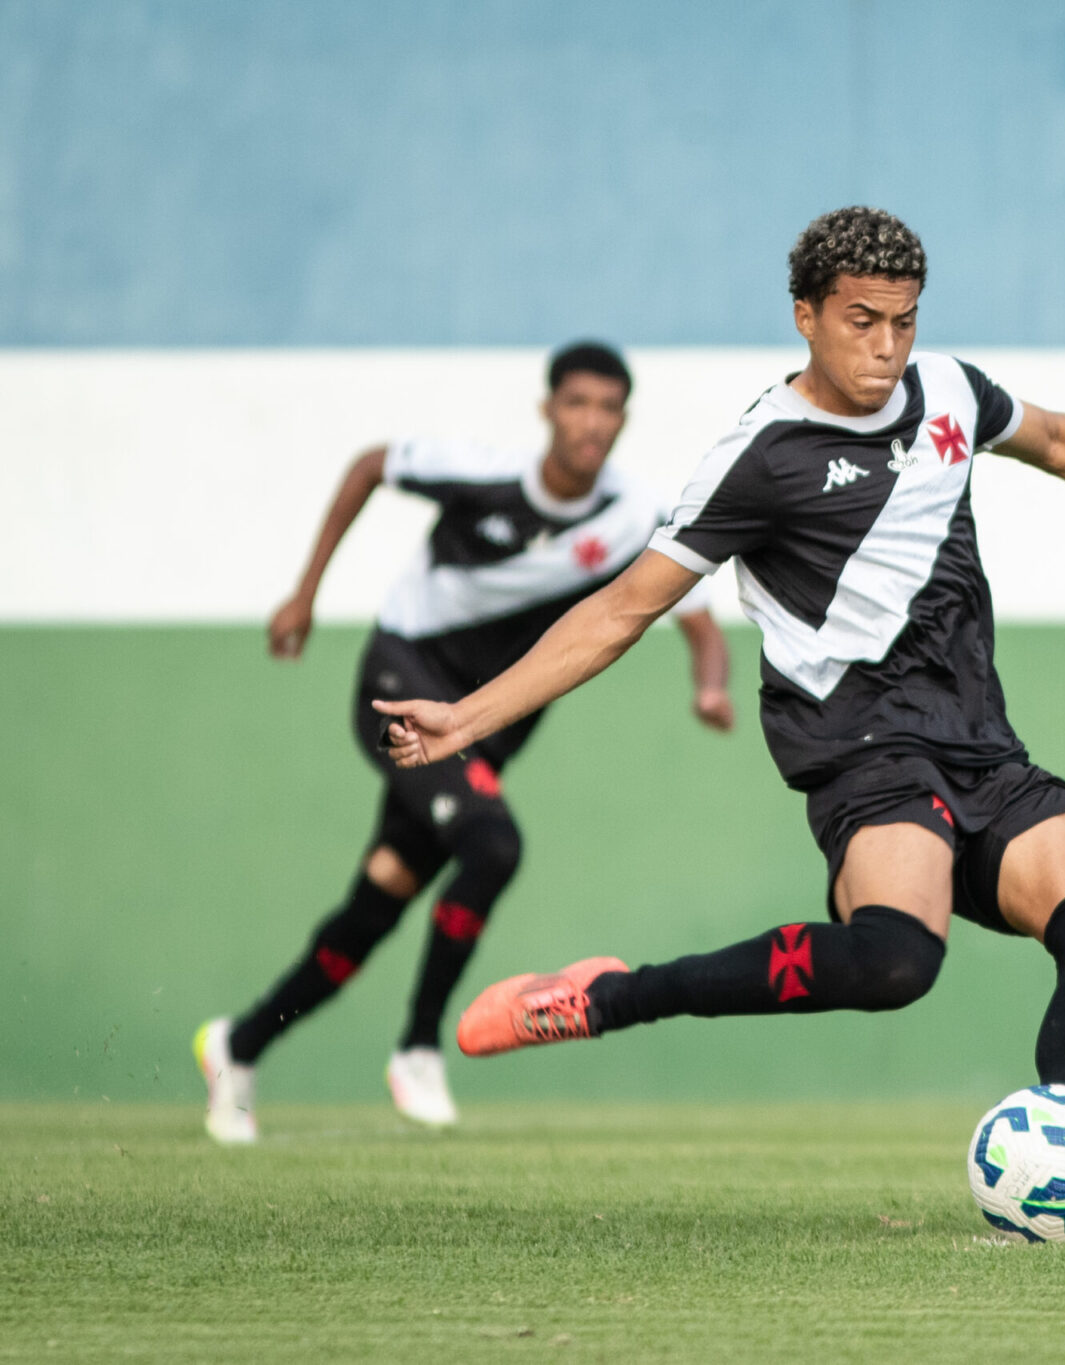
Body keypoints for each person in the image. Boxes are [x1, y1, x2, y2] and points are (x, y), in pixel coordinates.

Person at [375, 207, 1065, 1237]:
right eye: (861, 321)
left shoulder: (946, 388)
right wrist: (467, 717)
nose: (887, 348)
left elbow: (1060, 442)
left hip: (979, 740)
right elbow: (622, 610)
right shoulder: (763, 455)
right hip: (863, 749)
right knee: (895, 963)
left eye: (902, 321)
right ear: (805, 316)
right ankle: (614, 994)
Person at [195, 342, 733, 1144]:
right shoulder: (480, 472)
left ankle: (238, 1046)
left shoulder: (631, 516)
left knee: (375, 905)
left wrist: (710, 683)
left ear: (622, 419)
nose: (592, 421)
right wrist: (305, 594)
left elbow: (695, 617)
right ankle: (417, 1046)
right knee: (493, 843)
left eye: (609, 407)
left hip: (484, 726)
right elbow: (370, 466)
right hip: (403, 679)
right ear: (548, 409)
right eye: (577, 402)